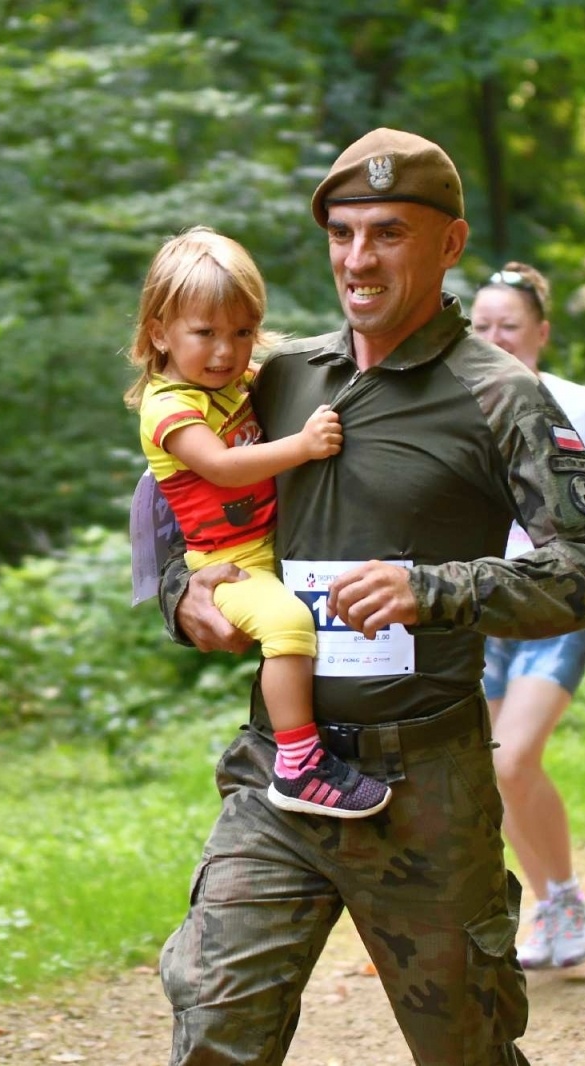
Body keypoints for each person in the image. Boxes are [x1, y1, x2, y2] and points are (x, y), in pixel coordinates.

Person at [153, 128, 585, 1066]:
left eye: (388, 233)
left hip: (425, 788)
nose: (357, 258)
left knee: (466, 1049)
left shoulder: (502, 397)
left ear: (450, 245)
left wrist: (434, 590)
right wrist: (185, 597)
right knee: (214, 1024)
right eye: (342, 234)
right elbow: (187, 520)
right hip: (282, 776)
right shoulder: (277, 377)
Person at [126, 227, 392, 818]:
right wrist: (304, 445)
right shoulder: (170, 405)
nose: (226, 351)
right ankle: (298, 763)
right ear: (158, 333)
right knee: (289, 626)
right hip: (235, 565)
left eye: (242, 333)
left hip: (270, 546)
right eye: (205, 334)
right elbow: (220, 466)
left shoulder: (237, 385)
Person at [468, 263, 585, 970]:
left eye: (507, 327)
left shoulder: (579, 406)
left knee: (512, 756)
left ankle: (562, 896)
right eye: (480, 326)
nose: (493, 338)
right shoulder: (455, 408)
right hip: (481, 611)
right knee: (489, 768)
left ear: (540, 333)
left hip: (558, 610)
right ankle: (554, 905)